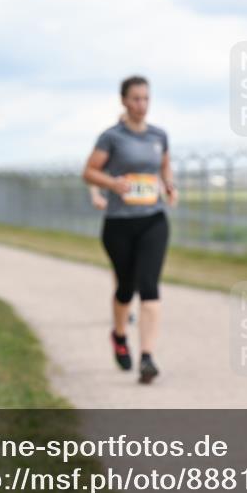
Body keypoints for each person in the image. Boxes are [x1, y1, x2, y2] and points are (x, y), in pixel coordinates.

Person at [83, 75, 177, 384]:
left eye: (146, 98)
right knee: (126, 288)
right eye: (136, 98)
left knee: (149, 287)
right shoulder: (112, 137)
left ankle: (147, 357)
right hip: (119, 223)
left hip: (153, 219)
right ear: (124, 100)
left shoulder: (158, 135)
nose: (141, 104)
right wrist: (113, 183)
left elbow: (164, 164)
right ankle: (119, 334)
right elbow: (89, 172)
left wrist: (169, 186)